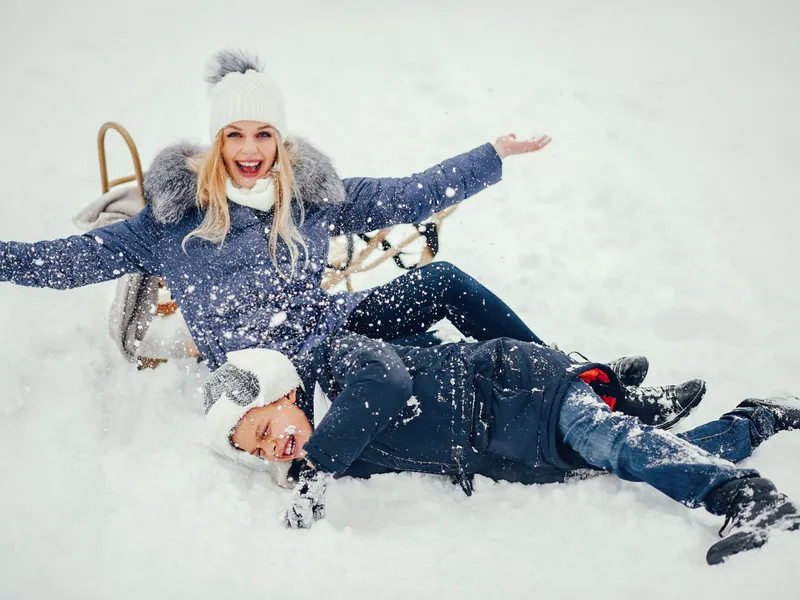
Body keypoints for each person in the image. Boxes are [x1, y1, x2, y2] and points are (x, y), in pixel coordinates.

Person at [0, 47, 703, 434]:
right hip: (277, 371)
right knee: (442, 370)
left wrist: (489, 154)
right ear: (217, 142)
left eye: (263, 134)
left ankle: (582, 387)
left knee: (445, 280)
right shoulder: (174, 222)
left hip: (330, 327)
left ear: (281, 139)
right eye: (235, 135)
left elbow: (410, 194)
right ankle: (570, 411)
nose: (250, 148)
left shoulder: (311, 195)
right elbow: (61, 263)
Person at [203, 333, 800, 565]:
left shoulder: (341, 364)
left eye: (263, 430)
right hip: (515, 453)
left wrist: (317, 468)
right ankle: (758, 420)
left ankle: (747, 497)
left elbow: (386, 383)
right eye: (258, 453)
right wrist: (300, 475)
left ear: (281, 389)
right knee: (636, 461)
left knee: (615, 442)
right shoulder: (334, 452)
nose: (271, 447)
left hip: (519, 389)